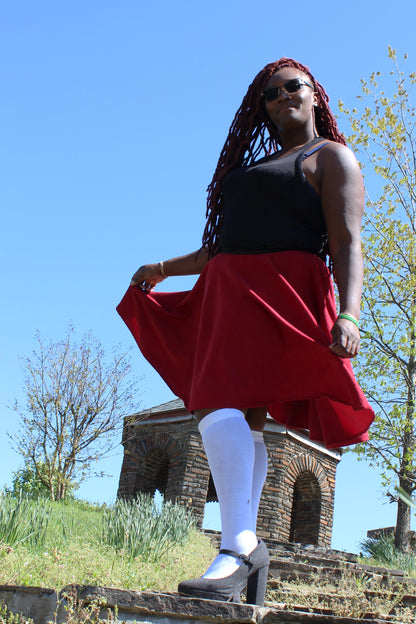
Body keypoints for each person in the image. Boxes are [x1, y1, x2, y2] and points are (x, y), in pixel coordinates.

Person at [117, 57, 375, 606]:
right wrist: (164, 268)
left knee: (216, 405)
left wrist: (348, 315)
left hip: (284, 291)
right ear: (261, 108)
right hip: (229, 294)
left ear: (314, 95)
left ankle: (236, 547)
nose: (282, 96)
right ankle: (244, 549)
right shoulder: (255, 165)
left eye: (292, 87)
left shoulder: (331, 157)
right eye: (270, 93)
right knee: (238, 414)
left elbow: (348, 243)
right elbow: (223, 244)